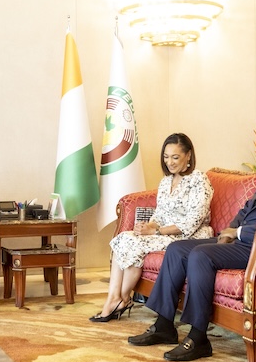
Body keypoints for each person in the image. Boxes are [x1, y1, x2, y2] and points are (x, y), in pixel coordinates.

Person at [128, 134, 256, 361]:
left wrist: (238, 233)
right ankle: (164, 325)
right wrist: (231, 229)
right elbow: (247, 207)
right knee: (177, 250)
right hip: (240, 238)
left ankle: (198, 338)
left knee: (201, 255)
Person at [90, 133, 213, 322]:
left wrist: (155, 231)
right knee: (123, 238)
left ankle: (121, 299)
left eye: (175, 157)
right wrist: (148, 226)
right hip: (164, 234)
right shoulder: (166, 182)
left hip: (189, 237)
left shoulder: (198, 179)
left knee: (134, 244)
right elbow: (160, 215)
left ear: (188, 155)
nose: (169, 162)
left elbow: (192, 222)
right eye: (166, 157)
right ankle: (114, 298)